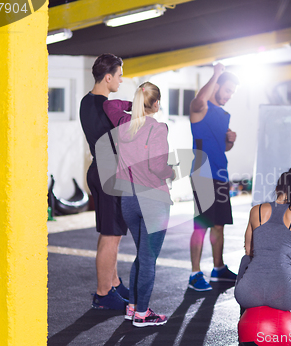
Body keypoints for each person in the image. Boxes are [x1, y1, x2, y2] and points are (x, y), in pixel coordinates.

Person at [104, 82, 175, 327]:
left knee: (142, 256)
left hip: (129, 201)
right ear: (156, 104)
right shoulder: (157, 127)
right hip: (153, 200)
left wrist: (134, 105)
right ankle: (143, 314)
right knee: (148, 258)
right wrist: (171, 172)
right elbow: (157, 166)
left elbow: (109, 104)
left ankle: (133, 307)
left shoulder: (124, 125)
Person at [234, 167, 291, 341]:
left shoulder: (256, 210)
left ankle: (243, 317)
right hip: (284, 296)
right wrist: (284, 256)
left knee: (245, 259)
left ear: (278, 188)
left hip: (247, 295)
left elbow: (249, 250)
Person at [80, 53, 129, 310]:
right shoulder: (105, 107)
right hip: (109, 174)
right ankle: (103, 293)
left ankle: (114, 283)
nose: (121, 80)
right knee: (111, 235)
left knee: (111, 233)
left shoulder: (87, 102)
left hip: (99, 170)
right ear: (108, 77)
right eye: (119, 76)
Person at [188, 63, 239, 291]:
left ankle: (218, 268)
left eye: (232, 93)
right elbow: (199, 100)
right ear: (217, 86)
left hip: (220, 174)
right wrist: (216, 73)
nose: (229, 96)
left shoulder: (224, 114)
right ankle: (195, 274)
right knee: (202, 226)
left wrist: (230, 141)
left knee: (219, 225)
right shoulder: (201, 108)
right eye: (227, 90)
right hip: (202, 174)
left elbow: (222, 148)